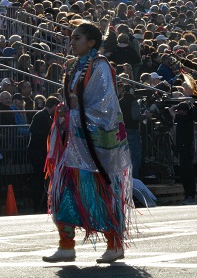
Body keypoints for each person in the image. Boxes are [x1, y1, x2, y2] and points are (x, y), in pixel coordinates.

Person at [42, 21, 132, 264]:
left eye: (77, 37)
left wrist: (73, 114)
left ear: (91, 42)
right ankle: (66, 246)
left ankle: (114, 244)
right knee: (62, 192)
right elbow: (75, 101)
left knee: (99, 192)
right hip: (73, 143)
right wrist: (65, 113)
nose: (72, 41)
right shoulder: (74, 66)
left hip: (92, 146)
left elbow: (105, 107)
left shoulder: (100, 66)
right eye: (72, 37)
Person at [28, 96, 60, 213]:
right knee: (39, 179)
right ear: (53, 106)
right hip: (37, 152)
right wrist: (46, 137)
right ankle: (38, 204)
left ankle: (41, 204)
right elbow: (33, 129)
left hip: (41, 151)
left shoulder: (46, 116)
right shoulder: (41, 115)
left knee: (42, 179)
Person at [169, 101, 196, 205]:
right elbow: (170, 110)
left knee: (188, 172)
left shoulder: (189, 119)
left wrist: (186, 106)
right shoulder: (180, 118)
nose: (178, 111)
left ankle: (191, 196)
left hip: (188, 149)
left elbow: (171, 110)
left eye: (180, 110)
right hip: (182, 149)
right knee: (183, 173)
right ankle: (187, 195)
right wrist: (180, 105)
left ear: (184, 111)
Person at [118, 85, 143, 179]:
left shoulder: (120, 101)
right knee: (136, 154)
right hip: (132, 129)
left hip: (122, 130)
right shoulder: (133, 101)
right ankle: (134, 177)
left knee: (125, 154)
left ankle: (124, 177)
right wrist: (145, 116)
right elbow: (135, 116)